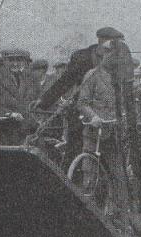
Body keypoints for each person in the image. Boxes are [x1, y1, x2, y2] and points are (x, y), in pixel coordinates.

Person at [76, 40, 132, 235]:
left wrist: (123, 119)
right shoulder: (92, 76)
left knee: (119, 178)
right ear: (101, 57)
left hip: (113, 135)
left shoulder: (119, 79)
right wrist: (93, 117)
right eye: (108, 55)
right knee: (90, 178)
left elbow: (124, 105)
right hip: (94, 135)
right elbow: (82, 103)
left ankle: (121, 222)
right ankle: (89, 223)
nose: (112, 59)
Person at [35, 43, 98, 171]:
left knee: (76, 150)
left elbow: (65, 81)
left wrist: (44, 101)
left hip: (83, 115)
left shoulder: (83, 59)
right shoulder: (100, 61)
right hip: (90, 116)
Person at [0, 48, 41, 145]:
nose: (15, 64)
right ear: (4, 61)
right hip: (5, 133)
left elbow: (37, 101)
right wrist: (9, 114)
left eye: (19, 60)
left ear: (24, 61)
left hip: (29, 133)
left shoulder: (31, 79)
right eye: (11, 60)